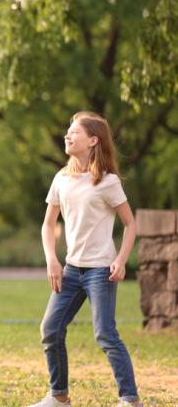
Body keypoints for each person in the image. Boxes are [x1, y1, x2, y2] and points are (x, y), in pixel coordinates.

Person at [29, 112, 142, 407]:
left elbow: (130, 224)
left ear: (93, 140)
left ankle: (130, 399)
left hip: (100, 270)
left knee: (105, 334)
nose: (67, 136)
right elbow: (48, 223)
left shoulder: (108, 181)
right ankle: (59, 396)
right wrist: (51, 259)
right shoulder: (61, 178)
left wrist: (121, 259)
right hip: (70, 270)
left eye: (74, 132)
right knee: (50, 330)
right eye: (68, 131)